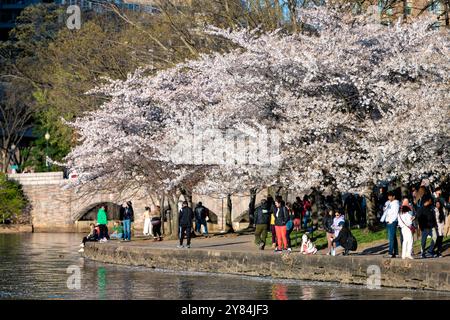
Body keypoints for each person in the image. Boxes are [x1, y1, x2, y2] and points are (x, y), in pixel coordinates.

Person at [416, 194, 438, 259]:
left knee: (435, 237)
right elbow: (418, 218)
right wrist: (420, 227)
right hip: (424, 227)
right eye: (431, 200)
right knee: (423, 240)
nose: (431, 201)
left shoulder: (431, 207)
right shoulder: (421, 209)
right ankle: (422, 253)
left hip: (432, 227)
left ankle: (430, 251)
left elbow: (433, 217)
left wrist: (435, 225)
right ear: (428, 200)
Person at [380, 191, 399, 258]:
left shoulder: (396, 203)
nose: (389, 197)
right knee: (393, 237)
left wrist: (391, 221)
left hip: (392, 222)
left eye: (390, 196)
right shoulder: (388, 202)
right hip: (387, 221)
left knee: (391, 237)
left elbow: (395, 214)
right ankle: (396, 252)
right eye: (388, 196)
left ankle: (390, 253)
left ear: (394, 196)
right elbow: (385, 210)